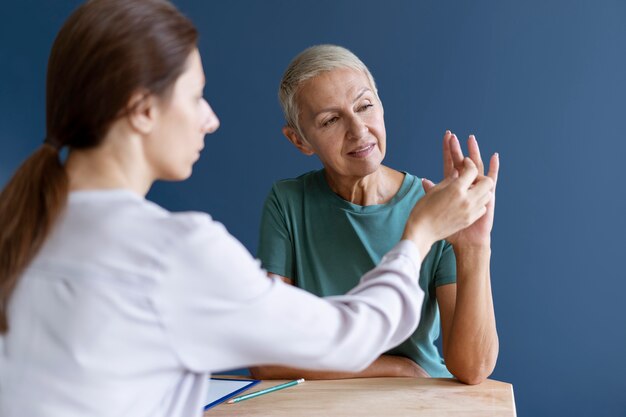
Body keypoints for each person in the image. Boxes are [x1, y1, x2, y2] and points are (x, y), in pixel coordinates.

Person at [0, 2, 494, 417]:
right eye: (195, 97)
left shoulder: (23, 227)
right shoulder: (175, 251)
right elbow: (345, 336)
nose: (210, 119)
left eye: (365, 106)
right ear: (143, 110)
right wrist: (420, 235)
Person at [251, 45, 500, 384]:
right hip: (335, 400)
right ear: (300, 140)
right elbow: (265, 358)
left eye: (365, 106)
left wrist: (474, 247)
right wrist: (396, 368)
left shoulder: (436, 206)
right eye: (330, 120)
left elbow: (473, 368)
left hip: (420, 400)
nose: (358, 130)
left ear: (381, 106)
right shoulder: (288, 203)